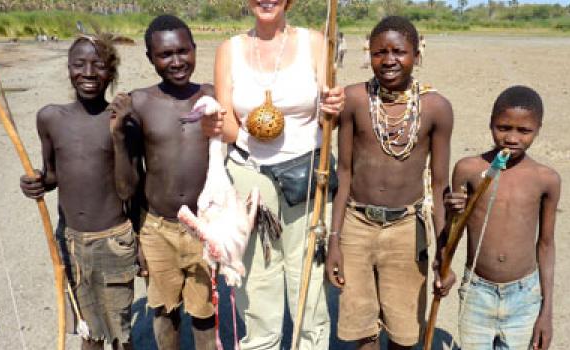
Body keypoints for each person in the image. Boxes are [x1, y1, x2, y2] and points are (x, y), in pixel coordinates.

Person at [201, 0, 345, 349]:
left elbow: (330, 117)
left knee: (307, 279)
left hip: (307, 176)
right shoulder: (229, 50)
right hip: (251, 177)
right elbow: (228, 125)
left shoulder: (315, 43)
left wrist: (334, 108)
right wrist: (225, 126)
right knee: (258, 282)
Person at [325, 16, 455, 350]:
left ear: (417, 53)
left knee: (405, 329)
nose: (389, 60)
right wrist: (335, 240)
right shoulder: (354, 99)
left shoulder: (435, 107)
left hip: (407, 229)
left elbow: (440, 185)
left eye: (400, 51)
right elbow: (344, 175)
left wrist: (444, 249)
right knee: (361, 326)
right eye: (379, 52)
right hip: (356, 224)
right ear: (368, 53)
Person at [19, 34, 136, 350]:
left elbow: (128, 189)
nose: (88, 72)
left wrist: (119, 135)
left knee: (121, 337)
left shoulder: (122, 120)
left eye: (98, 65)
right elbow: (53, 176)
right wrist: (36, 183)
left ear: (111, 73)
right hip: (70, 242)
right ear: (68, 69)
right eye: (79, 64)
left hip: (114, 239)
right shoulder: (50, 118)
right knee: (90, 333)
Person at [109, 15, 216, 350]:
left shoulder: (213, 97)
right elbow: (129, 183)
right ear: (149, 58)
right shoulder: (139, 103)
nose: (176, 61)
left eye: (183, 51)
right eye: (165, 55)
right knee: (164, 312)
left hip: (204, 226)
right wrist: (139, 235)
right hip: (158, 228)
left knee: (204, 313)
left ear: (195, 50)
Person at [444, 86, 560, 350]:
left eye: (524, 131)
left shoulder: (546, 179)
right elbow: (452, 233)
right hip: (477, 292)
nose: (511, 138)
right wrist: (452, 213)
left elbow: (546, 244)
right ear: (490, 123)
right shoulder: (469, 169)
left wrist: (546, 312)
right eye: (503, 127)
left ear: (538, 129)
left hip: (525, 296)